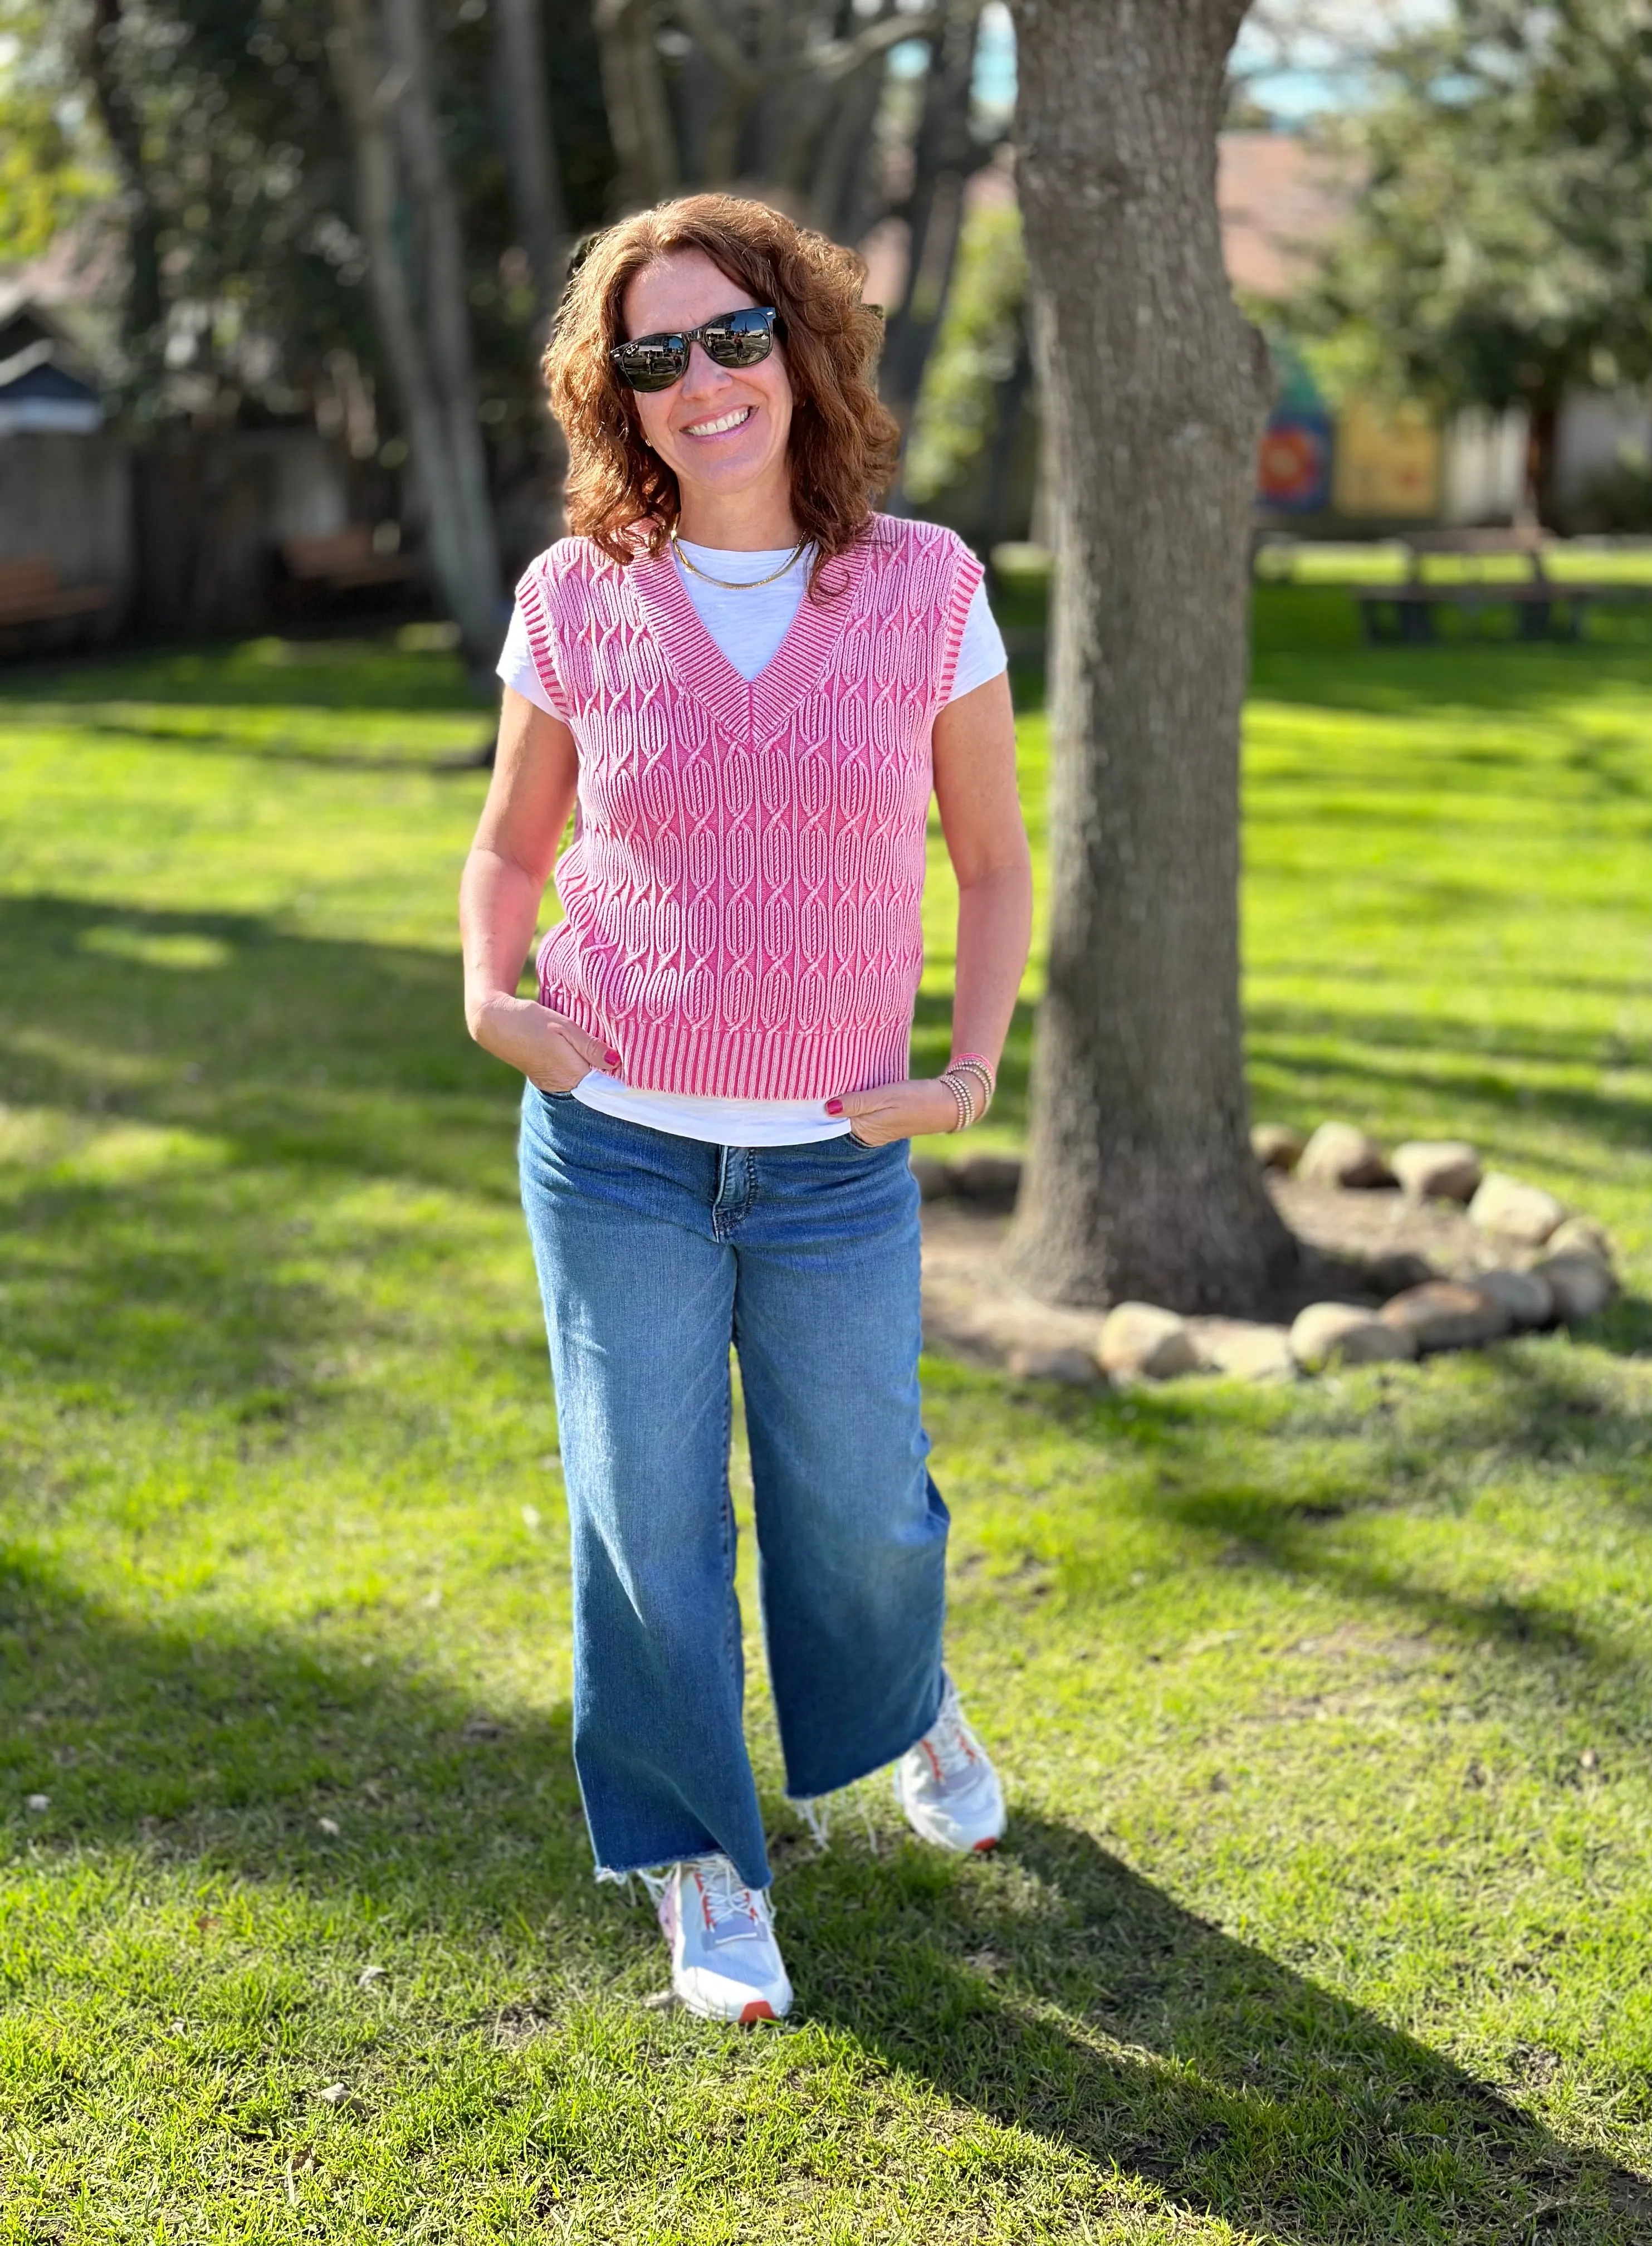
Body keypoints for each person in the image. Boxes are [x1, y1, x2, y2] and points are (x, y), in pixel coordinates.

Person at [460, 193, 1033, 2024]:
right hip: (614, 1138)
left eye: (733, 336)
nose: (703, 379)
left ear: (799, 345)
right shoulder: (575, 596)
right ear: (616, 392)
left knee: (862, 1511)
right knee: (644, 1517)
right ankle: (699, 1862)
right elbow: (507, 846)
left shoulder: (929, 585)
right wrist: (496, 1001)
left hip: (837, 1161)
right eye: (655, 353)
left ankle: (901, 1698)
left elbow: (996, 861)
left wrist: (965, 1072)